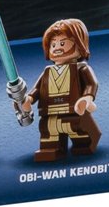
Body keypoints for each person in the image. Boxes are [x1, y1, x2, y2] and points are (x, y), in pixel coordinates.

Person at [20, 18, 100, 161]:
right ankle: (50, 148)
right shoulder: (47, 72)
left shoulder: (81, 68)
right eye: (53, 44)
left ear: (78, 44)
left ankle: (84, 144)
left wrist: (87, 98)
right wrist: (28, 100)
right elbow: (37, 90)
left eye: (62, 43)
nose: (57, 48)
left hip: (73, 110)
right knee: (49, 131)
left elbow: (91, 84)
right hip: (49, 112)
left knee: (79, 130)